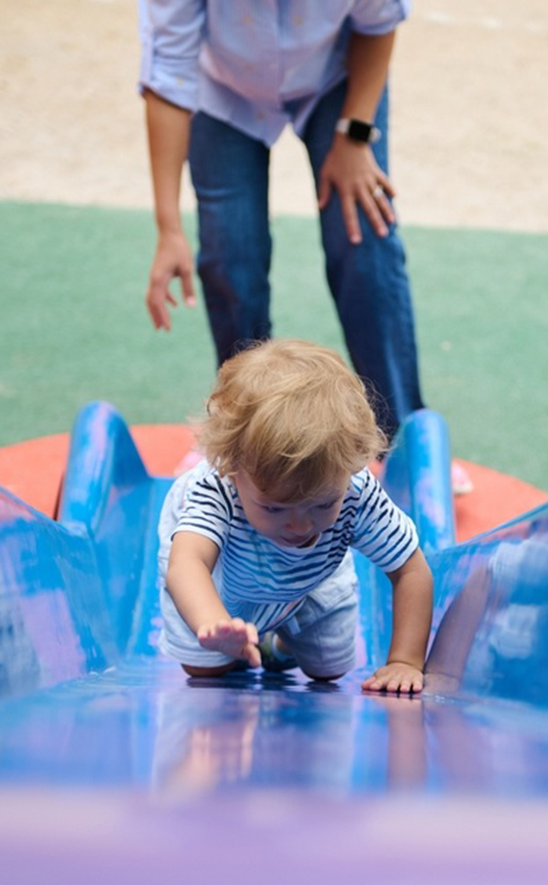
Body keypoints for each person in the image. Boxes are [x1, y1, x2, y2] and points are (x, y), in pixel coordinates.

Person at [138, 0, 426, 448]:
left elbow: (378, 23)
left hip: (336, 78)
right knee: (230, 255)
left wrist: (354, 135)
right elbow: (169, 77)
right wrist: (168, 228)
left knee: (365, 242)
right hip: (222, 90)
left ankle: (404, 438)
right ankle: (243, 439)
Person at [156, 338, 433, 693]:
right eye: (274, 507)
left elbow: (411, 569)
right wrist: (214, 624)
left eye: (321, 505)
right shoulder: (216, 488)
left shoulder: (353, 489)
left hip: (311, 577)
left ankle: (280, 643)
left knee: (328, 669)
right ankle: (243, 636)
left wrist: (404, 661)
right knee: (205, 669)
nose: (301, 525)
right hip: (226, 581)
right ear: (233, 469)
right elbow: (187, 564)